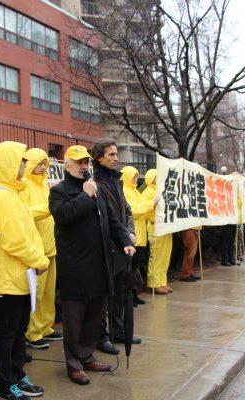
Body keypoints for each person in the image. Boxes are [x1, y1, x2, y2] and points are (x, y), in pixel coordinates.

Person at [49, 145, 135, 385]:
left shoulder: (96, 190)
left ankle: (87, 355)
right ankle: (73, 364)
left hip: (99, 265)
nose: (84, 166)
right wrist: (85, 196)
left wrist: (125, 240)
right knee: (74, 319)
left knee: (94, 317)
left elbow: (113, 220)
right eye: (78, 162)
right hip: (75, 268)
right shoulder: (59, 191)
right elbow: (64, 216)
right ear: (67, 165)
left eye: (86, 162)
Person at [0, 141, 49, 400]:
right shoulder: (2, 195)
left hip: (19, 276)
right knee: (6, 333)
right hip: (6, 278)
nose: (25, 164)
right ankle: (5, 384)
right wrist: (40, 260)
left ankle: (17, 375)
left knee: (17, 330)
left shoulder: (13, 194)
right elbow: (15, 240)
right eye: (21, 160)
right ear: (9, 163)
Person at [90, 139, 138, 353]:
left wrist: (130, 233)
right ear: (99, 158)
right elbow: (104, 217)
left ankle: (118, 332)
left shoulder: (116, 181)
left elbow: (126, 210)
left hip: (120, 244)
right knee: (104, 295)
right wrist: (121, 235)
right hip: (105, 245)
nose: (116, 158)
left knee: (120, 291)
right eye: (111, 155)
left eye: (116, 154)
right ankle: (102, 336)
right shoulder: (95, 184)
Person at [19, 148, 62, 350]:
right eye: (39, 163)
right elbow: (25, 213)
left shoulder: (44, 185)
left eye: (45, 163)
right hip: (36, 249)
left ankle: (46, 327)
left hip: (50, 247)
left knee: (48, 292)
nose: (43, 167)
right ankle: (33, 332)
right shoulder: (24, 186)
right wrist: (49, 209)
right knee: (36, 293)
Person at [120, 166, 157, 303]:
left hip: (140, 236)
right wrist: (151, 203)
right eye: (133, 176)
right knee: (129, 269)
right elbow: (134, 210)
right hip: (132, 236)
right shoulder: (124, 191)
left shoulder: (135, 191)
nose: (136, 179)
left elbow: (143, 211)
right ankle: (127, 297)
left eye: (136, 176)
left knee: (135, 268)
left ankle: (133, 295)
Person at [142, 169, 173, 294]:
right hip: (155, 228)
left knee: (165, 257)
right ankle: (154, 284)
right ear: (150, 178)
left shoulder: (162, 190)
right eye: (156, 176)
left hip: (165, 228)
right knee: (156, 257)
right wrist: (153, 219)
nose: (158, 178)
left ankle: (162, 282)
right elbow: (145, 210)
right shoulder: (148, 192)